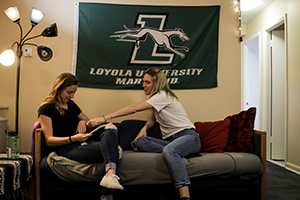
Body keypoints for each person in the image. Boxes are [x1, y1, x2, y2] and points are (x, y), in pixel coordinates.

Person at [87, 67, 201, 200]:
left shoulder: (163, 95)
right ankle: (175, 153)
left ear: (157, 83)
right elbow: (151, 120)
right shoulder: (157, 101)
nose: (144, 85)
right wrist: (142, 131)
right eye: (143, 82)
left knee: (169, 151)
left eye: (147, 82)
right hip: (171, 141)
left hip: (189, 137)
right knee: (140, 142)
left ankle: (185, 195)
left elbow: (133, 108)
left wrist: (105, 118)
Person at [37, 72, 122, 200]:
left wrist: (81, 122)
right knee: (116, 150)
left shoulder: (71, 104)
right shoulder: (46, 109)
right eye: (69, 92)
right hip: (66, 147)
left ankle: (110, 177)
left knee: (110, 126)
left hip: (81, 142)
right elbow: (49, 140)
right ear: (59, 89)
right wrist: (72, 138)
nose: (72, 96)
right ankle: (106, 193)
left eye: (74, 92)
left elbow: (89, 123)